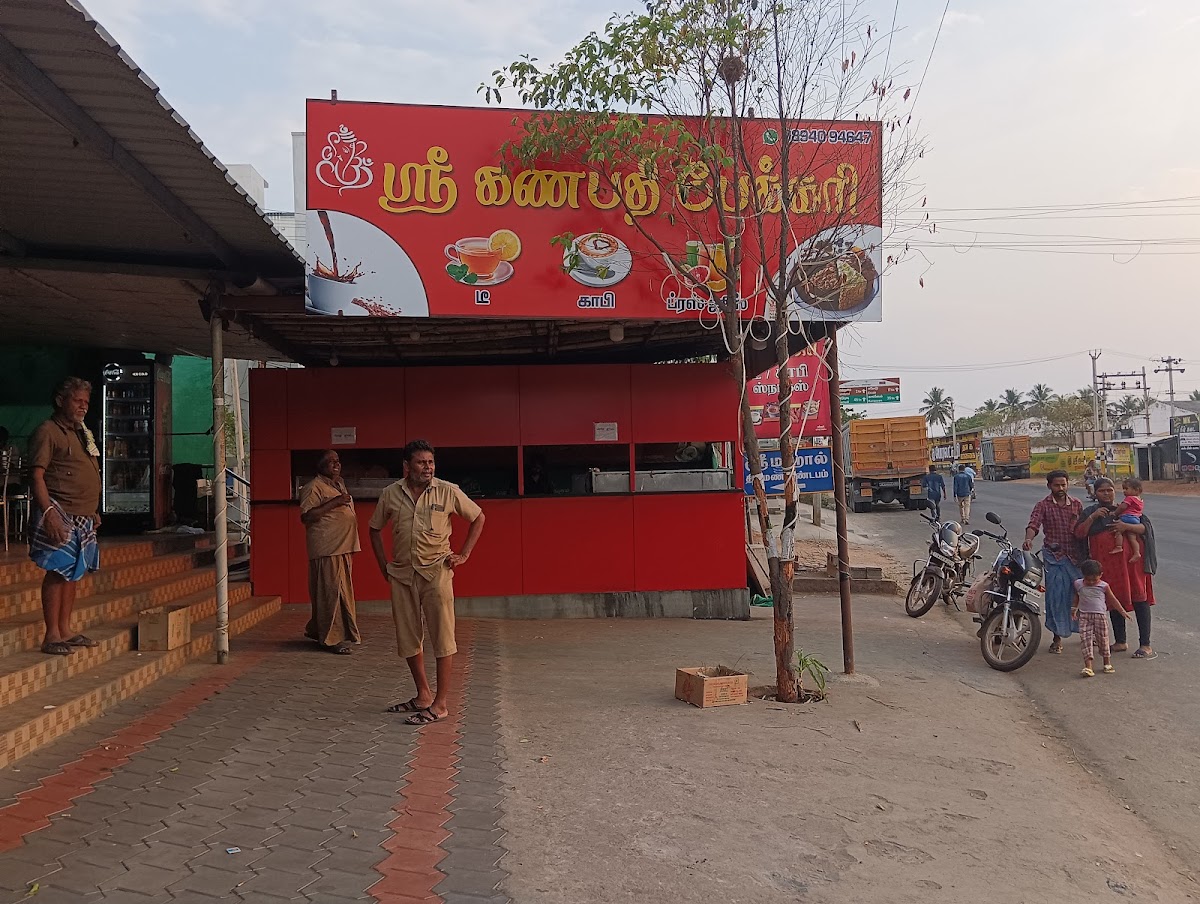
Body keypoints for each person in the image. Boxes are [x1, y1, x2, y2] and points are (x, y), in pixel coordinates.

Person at [370, 440, 486, 725]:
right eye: (421, 463)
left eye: (431, 462)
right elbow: (374, 528)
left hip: (437, 573)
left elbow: (478, 517)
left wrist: (464, 555)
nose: (428, 468)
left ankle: (441, 703)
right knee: (408, 638)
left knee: (443, 638)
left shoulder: (447, 491)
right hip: (402, 575)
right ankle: (423, 694)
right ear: (407, 467)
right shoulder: (390, 494)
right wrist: (384, 566)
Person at [27, 378, 102, 656]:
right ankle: (52, 635)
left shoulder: (81, 432)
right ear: (61, 401)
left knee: (72, 574)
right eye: (77, 401)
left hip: (83, 514)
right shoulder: (48, 431)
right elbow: (36, 476)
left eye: (86, 402)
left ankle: (66, 630)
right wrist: (49, 514)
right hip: (59, 512)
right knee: (57, 571)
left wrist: (93, 510)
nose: (83, 406)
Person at [1074, 477, 1156, 659]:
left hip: (1132, 564)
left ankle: (1145, 644)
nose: (1106, 493)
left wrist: (1125, 525)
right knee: (1113, 599)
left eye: (1110, 490)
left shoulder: (1126, 507)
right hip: (1107, 565)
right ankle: (1120, 641)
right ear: (1095, 493)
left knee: (1139, 598)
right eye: (1102, 491)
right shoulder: (1090, 512)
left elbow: (1146, 529)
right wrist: (1093, 517)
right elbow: (1079, 533)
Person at [299, 450, 361, 655]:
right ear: (320, 465)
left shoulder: (338, 483)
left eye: (338, 461)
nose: (336, 464)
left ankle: (319, 630)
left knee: (340, 592)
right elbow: (307, 516)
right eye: (330, 461)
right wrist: (335, 502)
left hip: (342, 546)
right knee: (331, 594)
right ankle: (330, 639)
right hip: (327, 548)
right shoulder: (312, 487)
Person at [1024, 469, 1084, 654]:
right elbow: (1034, 524)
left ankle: (1086, 633)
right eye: (1057, 485)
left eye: (1063, 484)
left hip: (1076, 557)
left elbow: (1084, 528)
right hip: (1054, 557)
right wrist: (1029, 539)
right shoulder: (1043, 505)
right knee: (1056, 598)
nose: (1061, 488)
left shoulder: (1076, 504)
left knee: (1081, 597)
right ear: (1049, 486)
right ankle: (1057, 638)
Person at [1071, 559, 1130, 677]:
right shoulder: (1078, 584)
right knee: (1085, 639)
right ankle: (1088, 666)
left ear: (1101, 576)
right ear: (1083, 576)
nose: (1091, 582)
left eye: (1095, 579)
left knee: (1103, 639)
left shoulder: (1104, 586)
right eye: (1088, 580)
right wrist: (1073, 609)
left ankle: (1107, 663)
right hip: (1084, 615)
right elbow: (1077, 597)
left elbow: (1113, 599)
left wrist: (1122, 611)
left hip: (1100, 616)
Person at [1110, 478, 1145, 561]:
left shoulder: (1130, 498)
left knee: (1118, 530)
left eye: (1126, 489)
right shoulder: (1139, 500)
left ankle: (1118, 546)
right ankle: (1137, 552)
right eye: (1123, 489)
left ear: (1136, 490)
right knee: (1132, 538)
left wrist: (1115, 513)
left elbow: (1122, 507)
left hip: (1127, 518)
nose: (1124, 491)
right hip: (1135, 519)